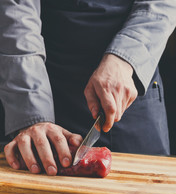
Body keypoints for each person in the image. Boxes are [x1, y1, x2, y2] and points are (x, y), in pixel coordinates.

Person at [0, 0, 176, 176]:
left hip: (131, 87)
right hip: (46, 88)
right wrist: (32, 113)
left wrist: (126, 58)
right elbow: (17, 12)